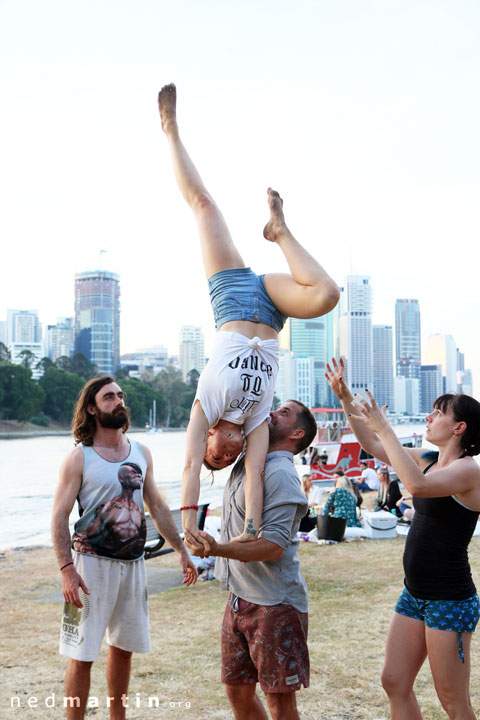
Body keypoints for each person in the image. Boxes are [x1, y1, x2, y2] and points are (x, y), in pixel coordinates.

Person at [158, 83, 339, 545]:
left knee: (204, 206)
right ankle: (279, 231)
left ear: (211, 440)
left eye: (216, 457)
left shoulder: (207, 408)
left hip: (234, 298)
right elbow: (255, 475)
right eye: (225, 460)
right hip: (273, 315)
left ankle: (170, 130)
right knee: (326, 296)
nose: (227, 455)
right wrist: (252, 530)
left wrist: (189, 528)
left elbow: (186, 468)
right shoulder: (259, 418)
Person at [326, 357, 480, 720]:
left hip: (449, 600)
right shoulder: (427, 458)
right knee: (394, 681)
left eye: (437, 412)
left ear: (459, 427)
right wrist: (345, 397)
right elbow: (372, 444)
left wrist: (386, 428)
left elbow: (417, 486)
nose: (428, 417)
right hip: (415, 593)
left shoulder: (468, 471)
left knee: (453, 702)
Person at [51, 375, 198, 720]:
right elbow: (58, 518)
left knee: (124, 649)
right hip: (88, 567)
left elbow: (158, 507)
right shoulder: (79, 458)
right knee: (81, 652)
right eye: (109, 397)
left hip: (133, 565)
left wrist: (181, 550)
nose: (119, 401)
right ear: (91, 408)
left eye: (120, 395)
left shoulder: (141, 452)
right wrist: (65, 570)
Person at [185, 400, 318, 720]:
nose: (272, 412)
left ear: (297, 433)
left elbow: (271, 547)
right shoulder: (251, 459)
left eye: (283, 413)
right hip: (238, 600)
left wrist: (216, 549)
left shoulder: (282, 475)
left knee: (280, 704)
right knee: (237, 691)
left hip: (275, 606)